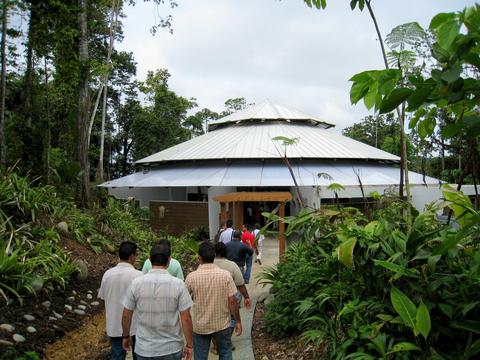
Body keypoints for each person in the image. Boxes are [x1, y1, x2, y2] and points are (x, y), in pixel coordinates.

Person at [122, 240, 194, 360]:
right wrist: (190, 345)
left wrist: (125, 335)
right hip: (171, 348)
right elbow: (186, 318)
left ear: (149, 259)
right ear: (169, 260)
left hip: (144, 349)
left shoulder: (136, 284)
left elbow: (126, 315)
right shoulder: (178, 285)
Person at [185, 241, 241, 360]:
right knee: (225, 353)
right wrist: (238, 321)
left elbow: (184, 303)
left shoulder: (191, 277)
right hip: (222, 324)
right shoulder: (225, 275)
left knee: (200, 356)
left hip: (200, 326)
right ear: (214, 256)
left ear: (199, 257)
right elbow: (233, 301)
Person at [98, 241, 143, 360]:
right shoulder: (139, 276)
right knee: (139, 355)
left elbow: (103, 297)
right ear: (132, 256)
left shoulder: (107, 275)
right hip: (136, 326)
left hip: (115, 325)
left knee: (117, 355)